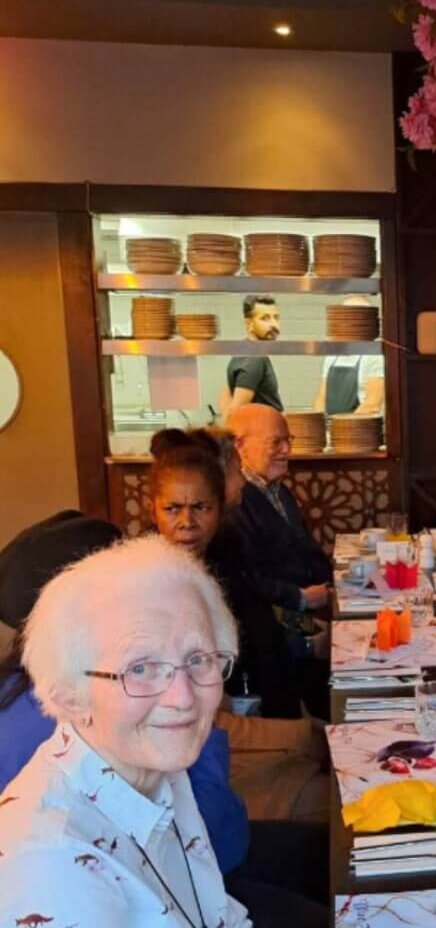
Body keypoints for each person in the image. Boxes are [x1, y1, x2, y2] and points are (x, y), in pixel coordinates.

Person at [0, 534, 329, 928]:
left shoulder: (151, 772)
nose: (182, 698)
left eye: (200, 660)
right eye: (140, 668)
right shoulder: (49, 874)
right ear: (67, 694)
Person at [150, 428, 299, 717]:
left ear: (218, 509)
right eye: (172, 509)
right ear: (152, 511)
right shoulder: (149, 580)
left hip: (257, 705)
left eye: (200, 508)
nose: (187, 522)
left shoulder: (224, 556)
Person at [227, 405, 332, 717]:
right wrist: (300, 599)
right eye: (275, 443)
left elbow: (308, 551)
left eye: (288, 440)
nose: (287, 451)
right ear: (239, 446)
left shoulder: (279, 491)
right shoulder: (235, 502)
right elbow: (245, 579)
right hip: (275, 631)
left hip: (309, 613)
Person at [313, 295, 385, 416]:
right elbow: (321, 399)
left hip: (360, 429)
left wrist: (344, 429)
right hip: (332, 428)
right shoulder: (333, 355)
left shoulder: (373, 356)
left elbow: (372, 404)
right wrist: (320, 425)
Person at [223, 294, 284, 414]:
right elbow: (236, 411)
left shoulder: (245, 351)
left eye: (276, 317)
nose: (274, 324)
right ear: (248, 324)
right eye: (265, 318)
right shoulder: (254, 358)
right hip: (263, 431)